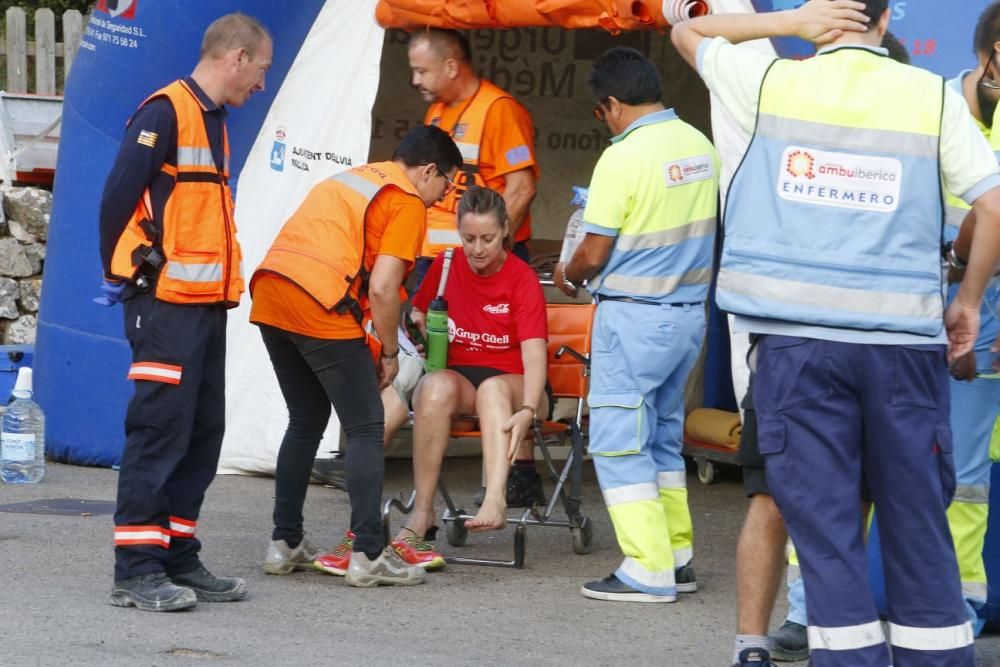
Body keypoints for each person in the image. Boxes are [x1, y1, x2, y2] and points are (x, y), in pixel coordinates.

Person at [672, 1, 1000, 666]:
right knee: (918, 529)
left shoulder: (772, 83)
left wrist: (788, 22)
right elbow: (993, 204)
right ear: (886, 20)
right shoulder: (929, 97)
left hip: (797, 350)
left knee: (826, 535)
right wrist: (966, 299)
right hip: (904, 349)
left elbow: (686, 30)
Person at [97, 13, 272, 613]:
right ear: (238, 56)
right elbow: (118, 199)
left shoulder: (213, 121)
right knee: (159, 432)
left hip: (202, 308)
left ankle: (175, 554)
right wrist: (127, 280)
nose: (262, 84)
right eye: (262, 69)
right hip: (164, 306)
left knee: (201, 432)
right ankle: (137, 569)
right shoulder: (165, 112)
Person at [250, 125, 462, 586]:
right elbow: (385, 287)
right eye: (447, 185)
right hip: (320, 302)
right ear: (428, 171)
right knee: (367, 424)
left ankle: (285, 543)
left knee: (304, 420)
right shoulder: (405, 200)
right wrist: (389, 351)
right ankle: (368, 553)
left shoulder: (352, 179)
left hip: (271, 292)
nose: (443, 197)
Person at [553, 47, 718, 604]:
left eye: (601, 113)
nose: (604, 123)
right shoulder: (700, 145)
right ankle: (677, 557)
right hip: (687, 319)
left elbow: (594, 250)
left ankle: (647, 571)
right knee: (665, 441)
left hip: (633, 320)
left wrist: (568, 273)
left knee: (621, 442)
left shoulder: (622, 157)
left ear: (613, 104)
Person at [409, 29, 544, 506]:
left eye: (422, 70)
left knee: (502, 354)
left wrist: (489, 248)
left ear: (451, 66)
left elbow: (521, 187)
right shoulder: (438, 112)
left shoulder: (498, 109)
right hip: (440, 263)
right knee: (438, 357)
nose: (415, 80)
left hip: (490, 260)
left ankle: (520, 468)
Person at [390, 185, 549, 568]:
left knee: (492, 390)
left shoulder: (521, 278)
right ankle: (422, 513)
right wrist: (420, 326)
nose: (478, 249)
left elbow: (534, 353)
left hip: (518, 383)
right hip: (462, 376)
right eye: (469, 238)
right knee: (431, 388)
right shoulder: (446, 267)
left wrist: (528, 407)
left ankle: (495, 497)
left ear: (506, 231)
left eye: (488, 239)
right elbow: (417, 314)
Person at [939, 1, 1000, 636]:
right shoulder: (930, 105)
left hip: (987, 304)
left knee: (966, 472)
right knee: (857, 451)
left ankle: (960, 610)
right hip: (912, 291)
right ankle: (806, 608)